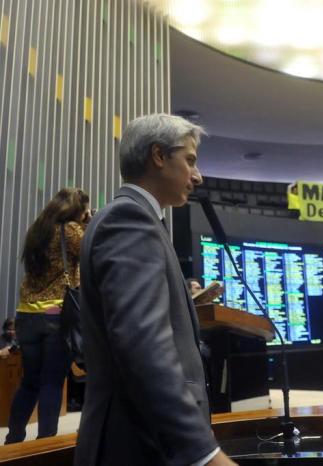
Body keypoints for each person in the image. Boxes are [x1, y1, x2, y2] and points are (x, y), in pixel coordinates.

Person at [75, 114, 237, 465]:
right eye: (190, 160)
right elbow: (143, 345)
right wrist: (203, 453)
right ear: (159, 156)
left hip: (145, 437)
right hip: (135, 444)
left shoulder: (136, 219)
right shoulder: (129, 220)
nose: (198, 176)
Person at [4, 188, 91, 444]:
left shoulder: (37, 230)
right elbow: (92, 251)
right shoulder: (70, 229)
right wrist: (87, 224)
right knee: (52, 381)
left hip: (26, 314)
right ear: (77, 209)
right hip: (55, 313)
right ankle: (45, 444)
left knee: (30, 381)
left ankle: (13, 439)